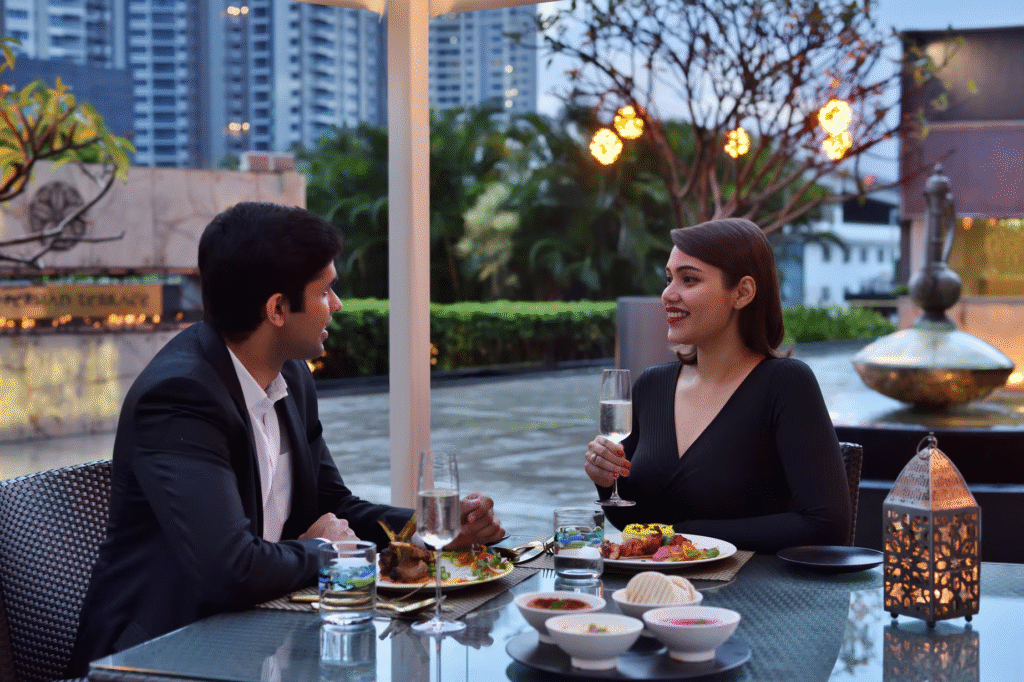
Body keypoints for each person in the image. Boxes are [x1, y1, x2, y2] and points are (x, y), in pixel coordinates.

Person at [68, 202, 504, 674]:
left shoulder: (292, 377)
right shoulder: (180, 397)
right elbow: (230, 570)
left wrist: (432, 531)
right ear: (277, 308)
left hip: (260, 637)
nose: (337, 304)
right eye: (325, 290)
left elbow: (334, 507)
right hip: (158, 657)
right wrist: (325, 552)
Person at [584, 218, 850, 553]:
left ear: (742, 292)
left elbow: (827, 526)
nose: (668, 294)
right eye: (669, 279)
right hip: (657, 585)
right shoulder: (652, 385)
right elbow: (634, 523)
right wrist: (606, 481)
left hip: (750, 586)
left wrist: (687, 535)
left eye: (689, 279)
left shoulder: (785, 384)